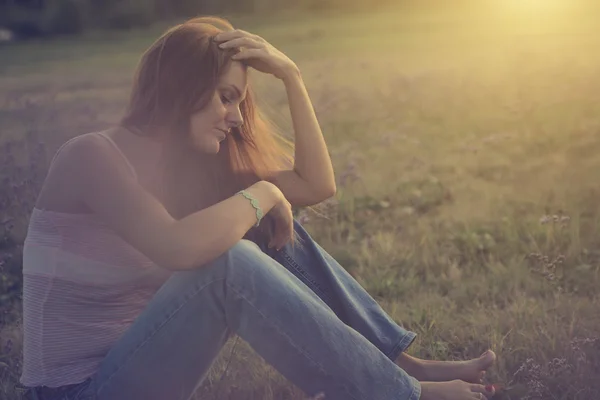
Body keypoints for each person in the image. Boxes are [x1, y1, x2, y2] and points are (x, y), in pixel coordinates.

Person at [16, 16, 498, 400]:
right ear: (182, 86)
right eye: (226, 98)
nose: (234, 116)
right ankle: (398, 394)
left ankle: (395, 364)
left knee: (250, 228)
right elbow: (176, 248)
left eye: (240, 103)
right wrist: (266, 193)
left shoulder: (186, 177)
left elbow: (316, 183)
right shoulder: (90, 157)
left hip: (139, 366)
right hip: (76, 391)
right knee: (230, 257)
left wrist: (291, 75)